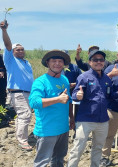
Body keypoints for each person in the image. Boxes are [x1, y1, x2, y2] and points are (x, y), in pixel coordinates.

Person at [67, 49, 118, 167]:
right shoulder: (84, 77)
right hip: (85, 119)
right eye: (95, 59)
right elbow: (75, 95)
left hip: (102, 120)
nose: (99, 62)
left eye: (101, 60)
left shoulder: (107, 79)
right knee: (78, 148)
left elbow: (109, 96)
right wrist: (77, 95)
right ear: (90, 62)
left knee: (98, 148)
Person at [29, 50, 73, 167]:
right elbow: (34, 102)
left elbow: (68, 100)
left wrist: (72, 118)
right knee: (42, 162)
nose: (57, 64)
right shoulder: (40, 82)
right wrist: (58, 99)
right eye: (54, 61)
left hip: (63, 128)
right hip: (47, 130)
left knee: (59, 159)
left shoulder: (65, 80)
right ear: (47, 63)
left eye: (60, 61)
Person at [1, 21, 34, 150]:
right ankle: (22, 140)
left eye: (22, 49)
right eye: (17, 49)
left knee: (25, 115)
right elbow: (8, 44)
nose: (20, 51)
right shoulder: (10, 60)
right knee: (25, 115)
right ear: (13, 51)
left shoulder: (27, 62)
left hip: (28, 93)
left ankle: (22, 136)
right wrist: (4, 30)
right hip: (17, 92)